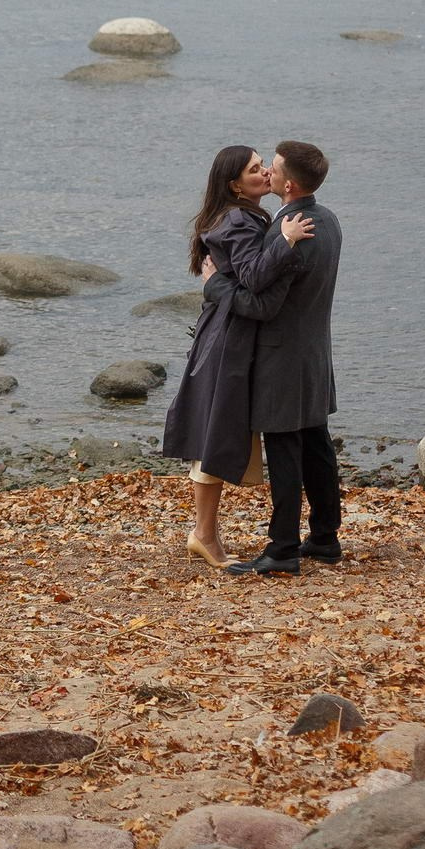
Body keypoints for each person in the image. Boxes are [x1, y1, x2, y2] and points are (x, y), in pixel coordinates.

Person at [159, 145, 312, 565]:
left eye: (264, 165)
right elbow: (254, 276)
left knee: (220, 431)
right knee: (217, 432)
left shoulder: (241, 216)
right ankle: (204, 535)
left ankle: (204, 533)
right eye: (253, 169)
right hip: (229, 340)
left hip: (231, 334)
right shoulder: (237, 221)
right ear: (234, 185)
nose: (264, 172)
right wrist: (285, 241)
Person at [206, 139, 343, 575]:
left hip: (282, 358)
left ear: (289, 184)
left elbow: (260, 304)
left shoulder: (289, 232)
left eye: (275, 167)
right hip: (315, 351)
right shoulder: (329, 220)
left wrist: (215, 285)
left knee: (285, 451)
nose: (269, 172)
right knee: (317, 445)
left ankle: (282, 548)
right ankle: (324, 538)